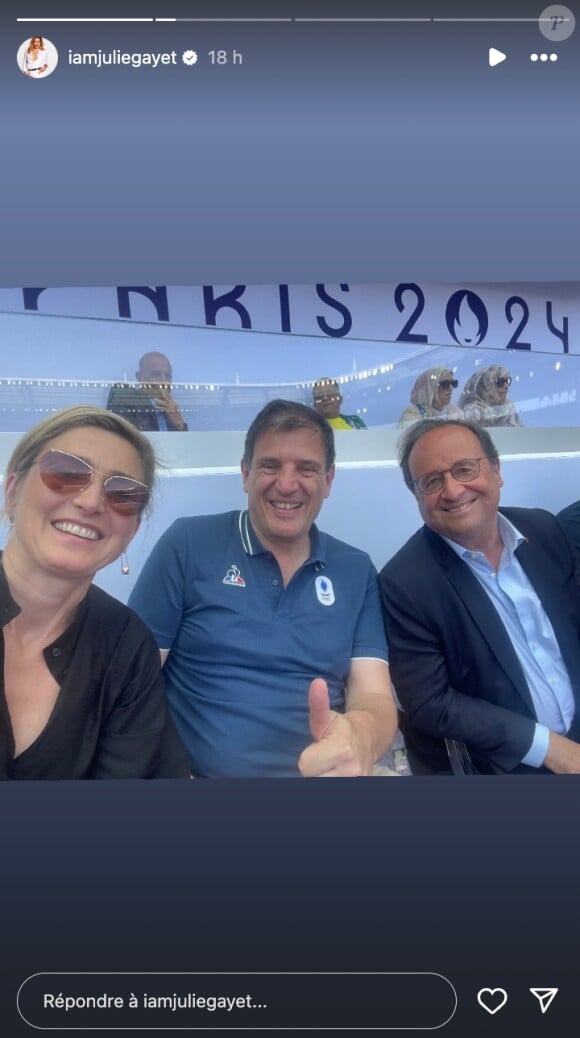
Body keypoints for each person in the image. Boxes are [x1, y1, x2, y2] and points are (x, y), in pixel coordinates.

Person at [129, 399, 396, 777]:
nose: (286, 485)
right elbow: (132, 683)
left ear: (328, 481)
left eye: (306, 469)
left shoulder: (356, 569)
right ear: (245, 474)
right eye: (270, 466)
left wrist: (362, 736)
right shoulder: (188, 544)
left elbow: (374, 695)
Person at [379, 418, 580, 776]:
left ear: (496, 470)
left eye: (465, 469)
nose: (453, 491)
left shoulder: (545, 530)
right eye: (432, 481)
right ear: (417, 496)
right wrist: (548, 747)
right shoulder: (403, 583)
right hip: (506, 764)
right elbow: (430, 702)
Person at [0, 405, 189, 780]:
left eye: (123, 493)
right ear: (13, 492)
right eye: (66, 472)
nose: (90, 502)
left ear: (131, 531)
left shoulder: (127, 646)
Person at [106, 352, 188, 432]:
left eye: (167, 376)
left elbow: (185, 444)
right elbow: (121, 436)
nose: (163, 381)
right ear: (140, 377)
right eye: (156, 375)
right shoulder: (125, 395)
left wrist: (180, 424)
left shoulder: (171, 413)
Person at [397, 367, 463, 429]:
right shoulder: (411, 416)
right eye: (446, 384)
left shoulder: (456, 413)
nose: (451, 388)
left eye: (453, 383)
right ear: (430, 388)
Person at [458, 365, 523, 428]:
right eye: (500, 382)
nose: (506, 386)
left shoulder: (509, 407)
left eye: (508, 381)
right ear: (487, 385)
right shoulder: (473, 412)